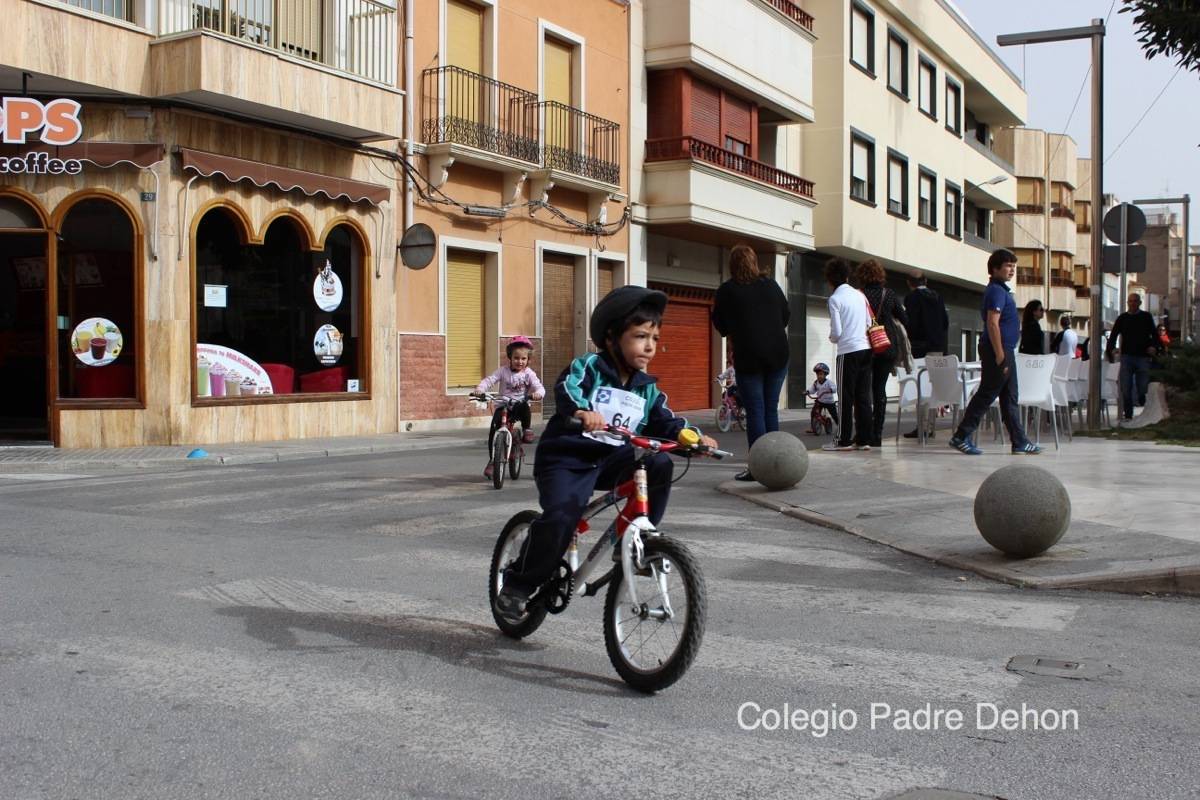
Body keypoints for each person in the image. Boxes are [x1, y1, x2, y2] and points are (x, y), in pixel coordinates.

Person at [494, 286, 718, 622]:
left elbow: (667, 420)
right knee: (563, 516)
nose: (649, 346)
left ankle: (636, 539)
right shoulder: (590, 367)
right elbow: (568, 387)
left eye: (655, 338)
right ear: (613, 337)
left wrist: (694, 438)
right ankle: (517, 585)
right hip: (566, 459)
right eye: (640, 336)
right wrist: (582, 411)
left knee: (657, 461)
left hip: (612, 460)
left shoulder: (647, 387)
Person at [948, 249, 1042, 455]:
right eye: (1008, 266)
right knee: (988, 393)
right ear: (995, 268)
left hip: (1005, 349)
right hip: (997, 350)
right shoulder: (996, 291)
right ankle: (961, 436)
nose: (1012, 270)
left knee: (1009, 397)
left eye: (1014, 266)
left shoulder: (1001, 290)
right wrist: (1000, 354)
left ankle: (1019, 441)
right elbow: (992, 323)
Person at [711, 244, 790, 480]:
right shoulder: (771, 285)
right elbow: (786, 315)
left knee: (756, 411)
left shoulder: (727, 291)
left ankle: (757, 467)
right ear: (754, 262)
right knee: (770, 410)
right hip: (778, 355)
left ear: (732, 265)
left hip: (749, 358)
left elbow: (721, 326)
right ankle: (775, 463)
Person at [475, 335, 546, 479]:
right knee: (494, 429)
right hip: (503, 405)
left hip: (519, 405)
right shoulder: (503, 371)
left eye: (523, 359)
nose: (519, 361)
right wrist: (480, 389)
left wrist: (538, 394)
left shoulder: (528, 374)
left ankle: (527, 429)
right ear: (510, 357)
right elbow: (490, 380)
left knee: (525, 406)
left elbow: (539, 387)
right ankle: (493, 461)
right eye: (516, 358)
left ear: (528, 360)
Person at [857, 259, 909, 447]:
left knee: (863, 391)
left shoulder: (859, 295)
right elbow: (904, 318)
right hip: (886, 345)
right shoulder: (889, 294)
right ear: (881, 275)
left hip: (865, 346)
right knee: (880, 390)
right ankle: (877, 435)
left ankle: (864, 432)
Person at [822, 258, 872, 451]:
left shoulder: (835, 299)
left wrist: (832, 338)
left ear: (829, 280)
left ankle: (843, 440)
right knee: (863, 397)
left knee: (845, 397)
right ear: (847, 275)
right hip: (866, 349)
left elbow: (837, 332)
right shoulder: (860, 295)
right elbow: (869, 322)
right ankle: (864, 439)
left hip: (848, 351)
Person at [902, 270, 949, 439]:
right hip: (937, 348)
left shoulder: (911, 298)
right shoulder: (938, 297)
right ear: (926, 281)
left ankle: (921, 428)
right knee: (932, 388)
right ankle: (930, 427)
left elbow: (910, 323)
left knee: (920, 389)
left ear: (909, 283)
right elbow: (945, 322)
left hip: (919, 349)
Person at [1105, 293, 1162, 421]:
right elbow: (1113, 335)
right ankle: (1128, 414)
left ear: (1140, 303)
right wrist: (1112, 349)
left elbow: (1155, 334)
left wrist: (1154, 346)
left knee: (1142, 387)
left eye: (1135, 301)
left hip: (1143, 357)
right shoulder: (1122, 318)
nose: (1132, 303)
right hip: (1127, 357)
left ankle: (1142, 401)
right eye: (1130, 301)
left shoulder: (1146, 317)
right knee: (1126, 387)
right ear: (1127, 303)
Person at [805, 362, 839, 434]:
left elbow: (835, 388)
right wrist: (807, 392)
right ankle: (812, 427)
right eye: (817, 374)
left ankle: (840, 427)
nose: (819, 376)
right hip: (820, 401)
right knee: (813, 412)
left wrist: (831, 390)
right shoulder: (816, 383)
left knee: (834, 415)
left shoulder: (829, 382)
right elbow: (812, 390)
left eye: (821, 374)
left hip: (829, 402)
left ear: (825, 375)